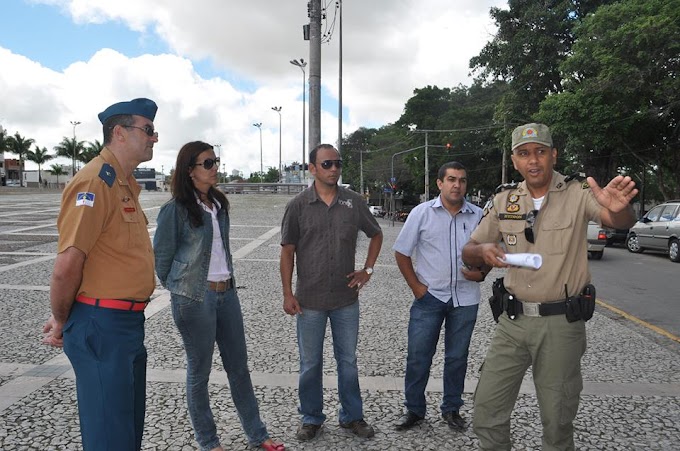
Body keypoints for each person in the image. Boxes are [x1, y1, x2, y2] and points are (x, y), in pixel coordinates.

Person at [462, 123, 638, 450]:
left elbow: (618, 219)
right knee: (486, 409)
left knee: (557, 420)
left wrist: (621, 209)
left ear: (553, 155)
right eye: (524, 153)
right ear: (514, 160)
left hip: (561, 324)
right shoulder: (504, 199)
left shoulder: (577, 193)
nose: (533, 160)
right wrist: (483, 252)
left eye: (541, 152)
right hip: (512, 323)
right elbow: (470, 249)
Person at [41, 97, 159, 450]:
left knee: (125, 433)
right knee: (110, 438)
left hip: (125, 326)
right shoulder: (95, 182)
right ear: (119, 133)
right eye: (148, 130)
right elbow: (67, 266)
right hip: (101, 325)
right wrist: (62, 321)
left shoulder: (123, 184)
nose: (154, 137)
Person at [153, 141, 285, 451]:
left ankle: (257, 435)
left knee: (239, 367)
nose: (215, 168)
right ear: (190, 171)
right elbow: (162, 258)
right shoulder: (174, 210)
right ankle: (209, 442)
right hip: (195, 299)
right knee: (199, 372)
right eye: (208, 163)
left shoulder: (218, 205)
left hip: (227, 293)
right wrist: (182, 289)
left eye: (216, 162)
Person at [280, 144, 383, 441]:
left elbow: (376, 234)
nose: (334, 169)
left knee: (348, 361)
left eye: (337, 163)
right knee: (310, 363)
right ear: (311, 168)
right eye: (326, 164)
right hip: (309, 301)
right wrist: (288, 294)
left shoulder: (353, 202)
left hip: (345, 300)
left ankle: (352, 417)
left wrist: (368, 270)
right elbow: (287, 252)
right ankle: (311, 418)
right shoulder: (298, 206)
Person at [393, 161, 489, 432]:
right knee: (418, 356)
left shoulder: (479, 216)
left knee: (457, 358)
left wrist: (483, 273)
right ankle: (414, 410)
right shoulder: (421, 213)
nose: (457, 185)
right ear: (439, 183)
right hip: (430, 298)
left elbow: (490, 251)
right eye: (451, 179)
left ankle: (451, 409)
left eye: (462, 180)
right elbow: (401, 252)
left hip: (466, 299)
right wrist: (416, 288)